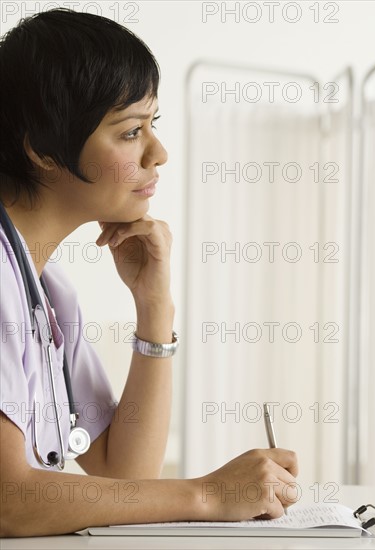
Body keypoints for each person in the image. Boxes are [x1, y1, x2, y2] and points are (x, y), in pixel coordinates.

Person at [0, 8, 298, 538]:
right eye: (132, 131)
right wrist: (206, 494)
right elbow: (8, 499)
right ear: (42, 149)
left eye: (152, 126)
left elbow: (123, 474)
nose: (158, 154)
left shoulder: (47, 291)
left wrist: (155, 308)